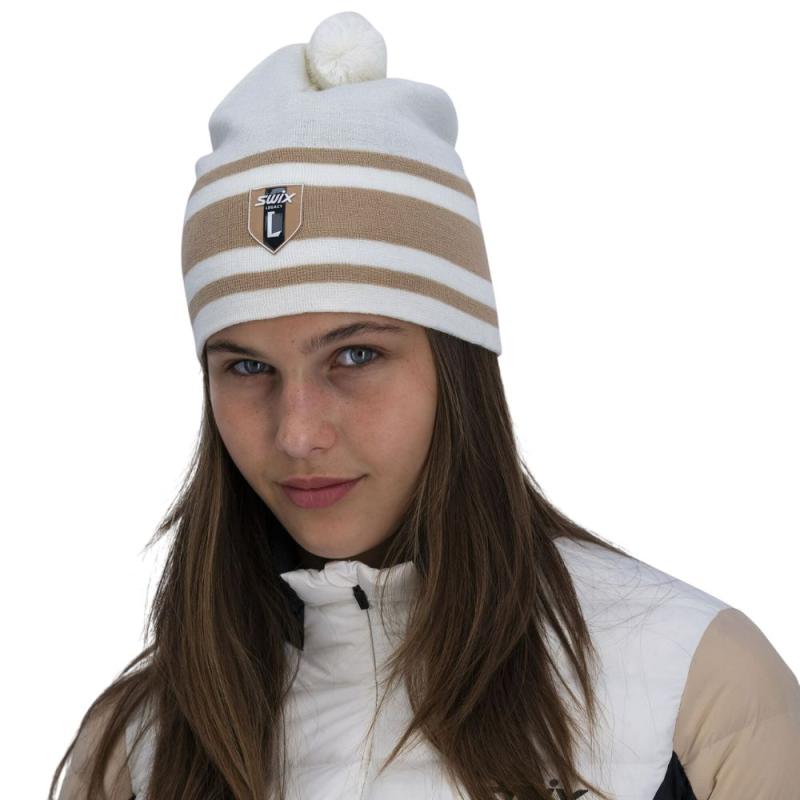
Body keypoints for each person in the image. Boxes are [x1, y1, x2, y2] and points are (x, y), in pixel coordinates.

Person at [50, 10, 800, 800]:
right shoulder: (142, 743)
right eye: (246, 367)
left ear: (457, 361)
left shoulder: (694, 686)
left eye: (355, 356)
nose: (297, 432)